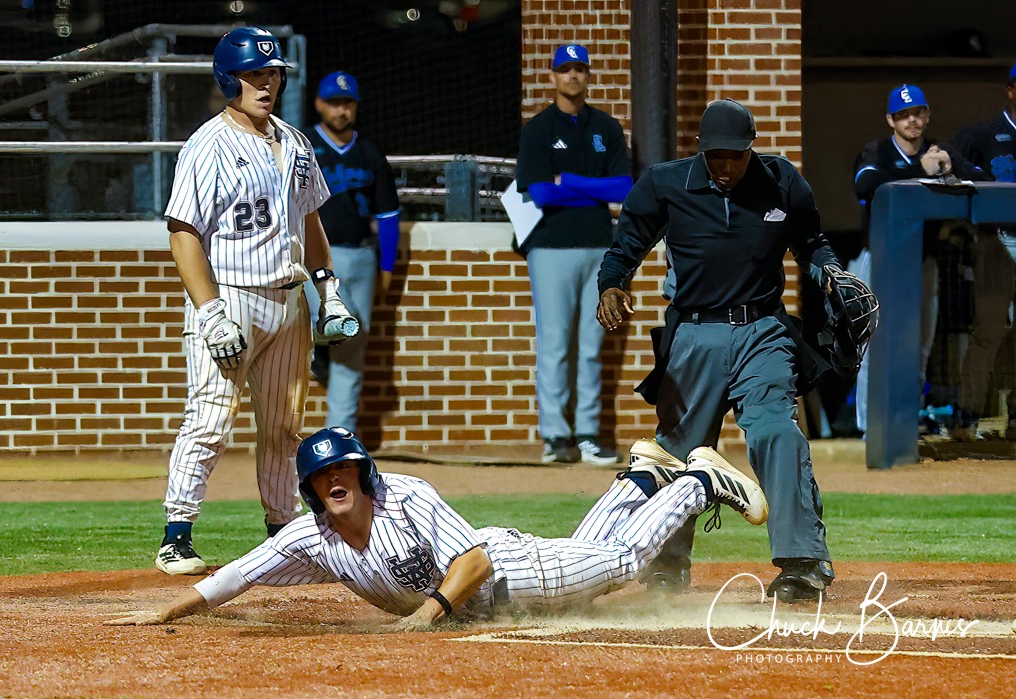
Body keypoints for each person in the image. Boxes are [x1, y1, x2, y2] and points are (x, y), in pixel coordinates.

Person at [106, 427, 768, 628]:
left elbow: (475, 561)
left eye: (343, 469)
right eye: (321, 476)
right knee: (594, 553)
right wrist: (168, 611)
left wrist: (426, 614)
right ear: (310, 489)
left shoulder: (408, 495)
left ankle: (698, 480)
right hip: (493, 601)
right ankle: (640, 478)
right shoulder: (315, 539)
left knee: (621, 561)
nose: (333, 480)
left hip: (510, 571)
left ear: (362, 473)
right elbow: (237, 574)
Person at [596, 99, 843, 603]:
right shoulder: (666, 183)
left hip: (763, 330)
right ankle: (666, 565)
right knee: (676, 449)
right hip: (693, 331)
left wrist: (831, 273)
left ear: (751, 148)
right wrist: (612, 285)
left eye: (736, 155)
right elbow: (626, 246)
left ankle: (803, 563)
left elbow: (812, 243)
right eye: (716, 157)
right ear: (700, 150)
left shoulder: (781, 181)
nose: (726, 166)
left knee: (777, 430)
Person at [157, 27, 358, 575]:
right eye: (254, 75)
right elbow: (183, 233)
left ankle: (283, 536)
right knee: (211, 419)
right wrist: (210, 311)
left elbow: (309, 221)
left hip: (288, 300)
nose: (266, 84)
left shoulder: (295, 141)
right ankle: (177, 535)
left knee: (282, 426)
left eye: (273, 74)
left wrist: (328, 292)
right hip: (233, 297)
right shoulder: (207, 144)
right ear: (230, 78)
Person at [515, 44, 633, 466]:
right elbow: (540, 191)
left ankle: (587, 434)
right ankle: (555, 436)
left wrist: (570, 181)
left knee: (591, 345)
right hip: (549, 246)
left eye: (579, 68)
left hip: (601, 246)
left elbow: (623, 189)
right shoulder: (539, 128)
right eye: (565, 69)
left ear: (587, 75)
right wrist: (586, 188)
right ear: (553, 77)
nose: (573, 76)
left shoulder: (607, 126)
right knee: (555, 345)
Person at [852, 84, 985, 435]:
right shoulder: (877, 150)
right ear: (890, 120)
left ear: (926, 114)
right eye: (902, 115)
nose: (911, 120)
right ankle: (871, 429)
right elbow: (866, 184)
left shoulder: (938, 150)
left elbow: (982, 180)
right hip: (880, 258)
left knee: (919, 345)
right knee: (874, 345)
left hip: (923, 261)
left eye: (917, 112)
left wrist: (947, 168)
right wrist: (920, 172)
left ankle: (906, 422)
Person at [300, 71, 401, 432]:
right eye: (334, 102)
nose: (341, 110)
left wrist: (386, 267)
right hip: (317, 257)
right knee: (338, 329)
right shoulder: (303, 147)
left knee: (353, 353)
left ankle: (342, 434)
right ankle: (319, 353)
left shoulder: (369, 152)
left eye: (347, 103)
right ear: (319, 105)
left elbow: (388, 215)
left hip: (361, 258)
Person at [948, 64, 1016, 440]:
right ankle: (967, 414)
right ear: (1010, 90)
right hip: (995, 240)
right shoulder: (984, 133)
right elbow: (948, 158)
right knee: (989, 331)